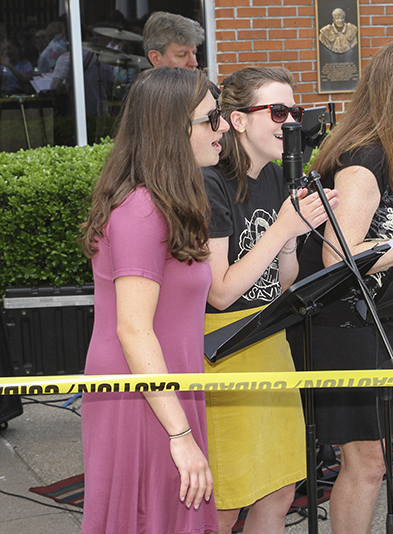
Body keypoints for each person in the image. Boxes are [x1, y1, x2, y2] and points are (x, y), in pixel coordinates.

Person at [288, 39, 393, 534]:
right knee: (366, 460)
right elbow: (338, 255)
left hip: (371, 315)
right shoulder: (364, 158)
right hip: (334, 320)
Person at [79, 67, 228, 534]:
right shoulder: (143, 210)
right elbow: (133, 328)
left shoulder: (168, 203)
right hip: (141, 395)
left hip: (166, 388)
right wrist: (179, 434)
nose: (222, 127)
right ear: (172, 128)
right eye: (211, 118)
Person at [201, 66, 337, 534]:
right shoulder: (210, 181)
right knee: (226, 498)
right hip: (221, 347)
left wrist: (291, 232)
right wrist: (282, 226)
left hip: (269, 337)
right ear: (238, 120)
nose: (291, 123)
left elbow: (282, 283)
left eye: (295, 112)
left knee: (279, 488)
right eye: (278, 111)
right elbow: (219, 292)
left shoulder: (278, 177)